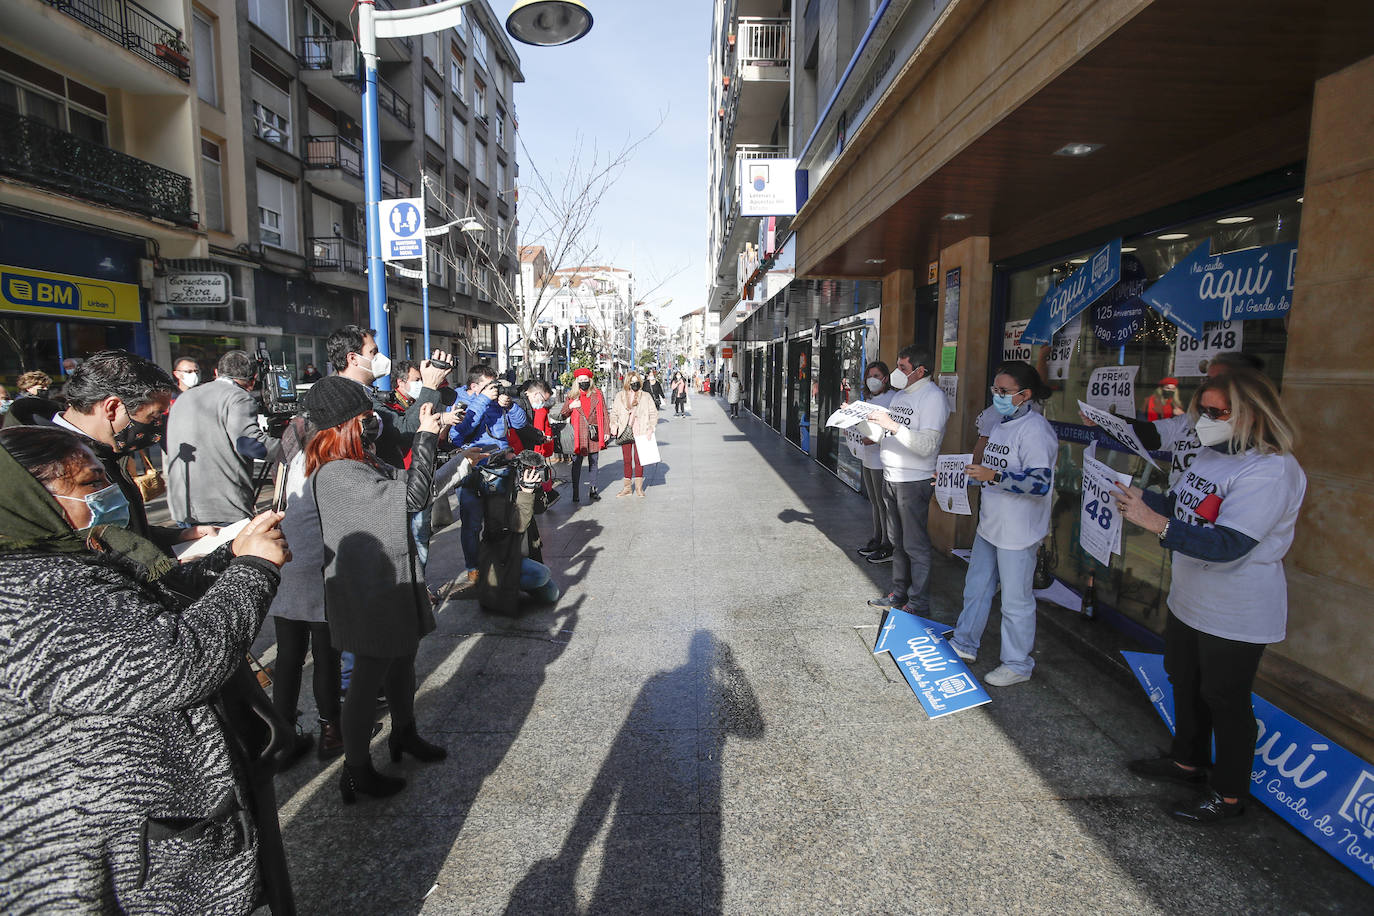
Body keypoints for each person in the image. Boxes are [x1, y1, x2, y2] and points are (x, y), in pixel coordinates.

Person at [0, 425, 292, 913]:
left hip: (155, 820)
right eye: (91, 484)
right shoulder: (28, 594)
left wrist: (233, 556)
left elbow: (160, 599)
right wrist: (253, 571)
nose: (110, 493)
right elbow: (178, 662)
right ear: (29, 497)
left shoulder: (70, 556)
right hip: (111, 847)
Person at [1115, 369, 1305, 824]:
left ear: (1253, 415)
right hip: (1190, 597)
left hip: (1236, 607)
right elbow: (1180, 507)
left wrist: (1154, 523)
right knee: (1184, 679)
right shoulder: (1211, 454)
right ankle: (1187, 761)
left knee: (1226, 698)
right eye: (1202, 410)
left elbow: (1229, 544)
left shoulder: (1271, 470)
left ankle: (1229, 794)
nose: (1204, 420)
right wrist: (1139, 498)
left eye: (1217, 412)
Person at [303, 377, 447, 802]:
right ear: (344, 424)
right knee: (367, 680)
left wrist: (461, 461)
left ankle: (405, 734)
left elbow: (413, 486)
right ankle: (356, 770)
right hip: (365, 593)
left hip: (389, 582)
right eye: (365, 419)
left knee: (402, 661)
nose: (372, 426)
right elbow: (414, 496)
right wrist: (424, 437)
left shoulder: (360, 463)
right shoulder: (336, 473)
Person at [945, 361, 1059, 687]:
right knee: (977, 587)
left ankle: (1018, 663)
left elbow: (1040, 483)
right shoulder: (1000, 423)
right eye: (995, 389)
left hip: (1019, 531)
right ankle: (965, 643)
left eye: (1005, 391)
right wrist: (954, 478)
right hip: (991, 524)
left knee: (1015, 601)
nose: (998, 395)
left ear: (1025, 395)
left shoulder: (1036, 431)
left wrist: (994, 476)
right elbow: (986, 468)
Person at [48, 350, 212, 552]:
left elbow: (123, 531)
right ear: (113, 408)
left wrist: (179, 536)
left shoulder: (104, 452)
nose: (158, 425)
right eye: (153, 417)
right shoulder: (49, 465)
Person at [265, 411, 342, 766]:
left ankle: (281, 738)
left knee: (289, 657)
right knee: (326, 655)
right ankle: (331, 732)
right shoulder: (326, 463)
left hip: (287, 563)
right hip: (318, 569)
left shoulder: (290, 458)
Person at [861, 346, 951, 615]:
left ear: (920, 371)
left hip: (913, 481)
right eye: (897, 366)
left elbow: (926, 445)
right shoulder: (901, 396)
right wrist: (859, 420)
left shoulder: (933, 398)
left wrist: (892, 425)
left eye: (903, 368)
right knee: (897, 542)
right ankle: (899, 593)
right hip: (891, 476)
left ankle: (919, 602)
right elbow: (881, 435)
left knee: (915, 545)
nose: (897, 373)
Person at [165, 350, 281, 528]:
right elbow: (250, 444)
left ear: (216, 373)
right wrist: (291, 446)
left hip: (183, 506)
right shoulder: (238, 397)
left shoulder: (185, 397)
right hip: (222, 509)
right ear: (253, 379)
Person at [324, 325, 449, 469]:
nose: (380, 358)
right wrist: (429, 386)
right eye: (373, 352)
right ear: (353, 358)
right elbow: (405, 430)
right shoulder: (348, 399)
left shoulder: (362, 392)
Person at [448, 366, 529, 584]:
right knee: (472, 524)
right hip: (472, 470)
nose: (494, 390)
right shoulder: (461, 401)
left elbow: (521, 423)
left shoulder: (497, 402)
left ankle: (496, 564)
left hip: (499, 468)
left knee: (498, 522)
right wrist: (482, 400)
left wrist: (510, 406)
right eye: (488, 386)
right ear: (474, 386)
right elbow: (458, 433)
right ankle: (473, 568)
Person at [475, 450, 561, 614]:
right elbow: (518, 525)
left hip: (521, 555)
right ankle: (498, 588)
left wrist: (533, 488)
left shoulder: (518, 484)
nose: (518, 466)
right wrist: (525, 493)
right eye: (513, 463)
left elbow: (540, 508)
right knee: (542, 575)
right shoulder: (496, 494)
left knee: (552, 595)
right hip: (503, 560)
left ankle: (515, 584)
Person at [856, 361, 897, 563]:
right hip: (868, 456)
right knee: (874, 501)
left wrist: (873, 437)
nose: (872, 379)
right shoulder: (869, 398)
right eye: (869, 375)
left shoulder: (892, 399)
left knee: (883, 503)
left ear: (885, 378)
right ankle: (877, 537)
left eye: (876, 375)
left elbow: (893, 428)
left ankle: (887, 544)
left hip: (882, 458)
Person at [560, 367, 607, 503]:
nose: (583, 382)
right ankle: (575, 492)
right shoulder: (571, 395)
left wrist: (607, 431)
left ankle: (593, 489)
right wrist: (571, 406)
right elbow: (563, 414)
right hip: (578, 434)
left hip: (593, 432)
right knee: (576, 464)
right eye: (581, 380)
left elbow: (604, 413)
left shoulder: (597, 394)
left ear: (590, 380)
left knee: (594, 462)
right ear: (577, 381)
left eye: (585, 380)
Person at [609, 370, 658, 499]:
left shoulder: (645, 396)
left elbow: (653, 413)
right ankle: (627, 488)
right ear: (627, 383)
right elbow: (613, 413)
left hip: (641, 431)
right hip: (625, 430)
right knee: (627, 460)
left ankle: (638, 488)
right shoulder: (620, 396)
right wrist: (613, 425)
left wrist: (651, 428)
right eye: (632, 382)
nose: (634, 384)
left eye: (636, 382)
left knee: (639, 459)